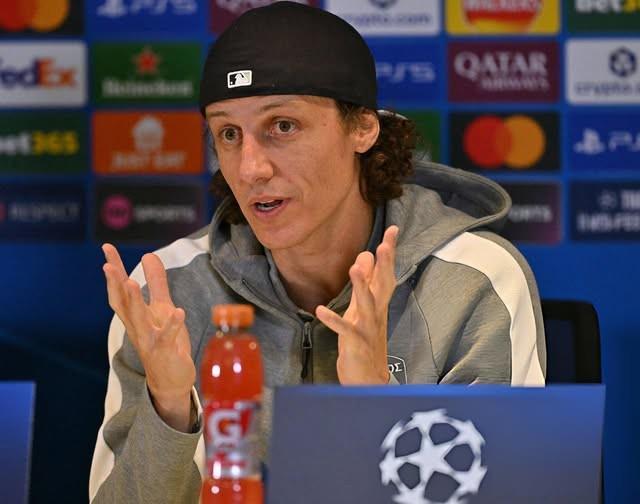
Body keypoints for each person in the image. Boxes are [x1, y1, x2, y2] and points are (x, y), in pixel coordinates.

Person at [89, 2, 546, 502]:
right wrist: (171, 410)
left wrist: (376, 403)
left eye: (283, 126)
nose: (250, 168)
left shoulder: (473, 280)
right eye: (228, 134)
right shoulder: (166, 294)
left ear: (362, 128)